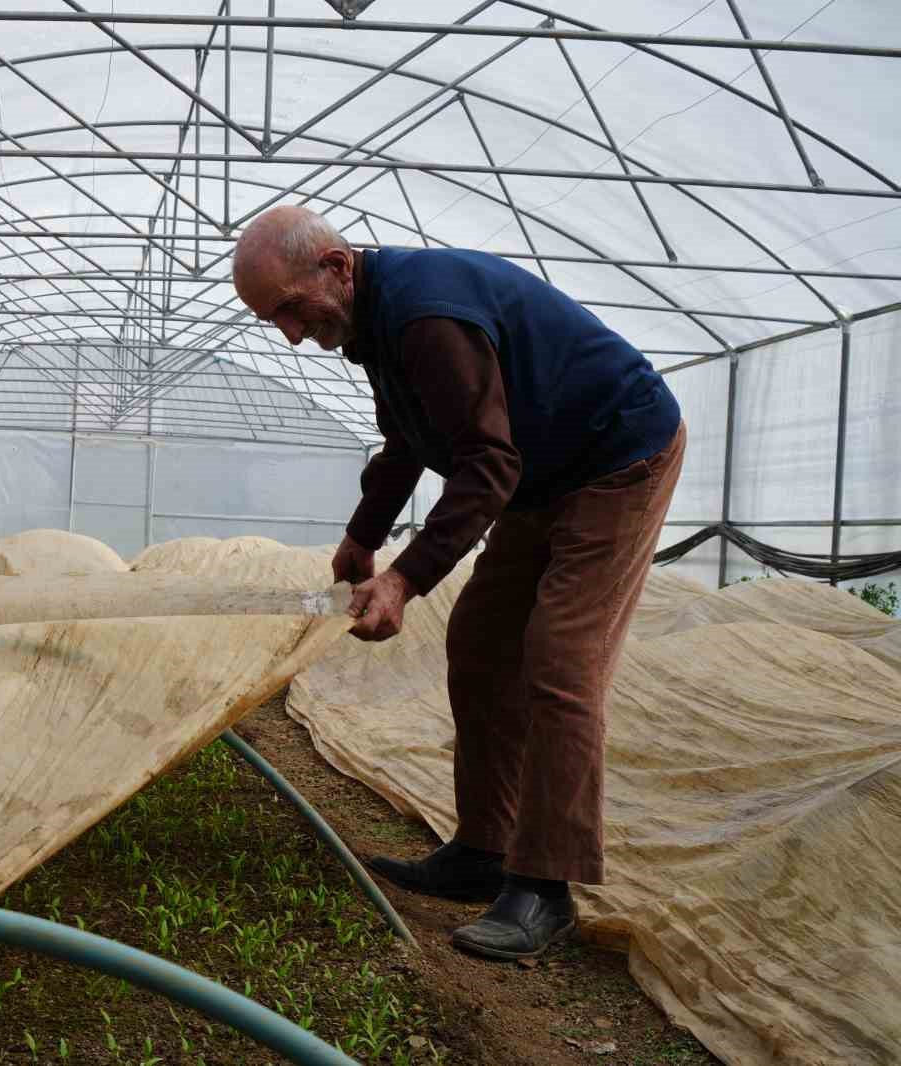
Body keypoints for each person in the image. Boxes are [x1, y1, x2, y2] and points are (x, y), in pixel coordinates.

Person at [232, 205, 685, 961]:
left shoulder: (426, 316)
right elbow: (408, 438)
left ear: (337, 267)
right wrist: (362, 536)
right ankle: (483, 850)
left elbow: (487, 465)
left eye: (288, 308)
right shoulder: (374, 325)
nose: (288, 331)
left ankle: (545, 887)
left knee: (560, 660)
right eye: (270, 318)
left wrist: (406, 579)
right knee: (479, 640)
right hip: (543, 474)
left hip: (616, 458)